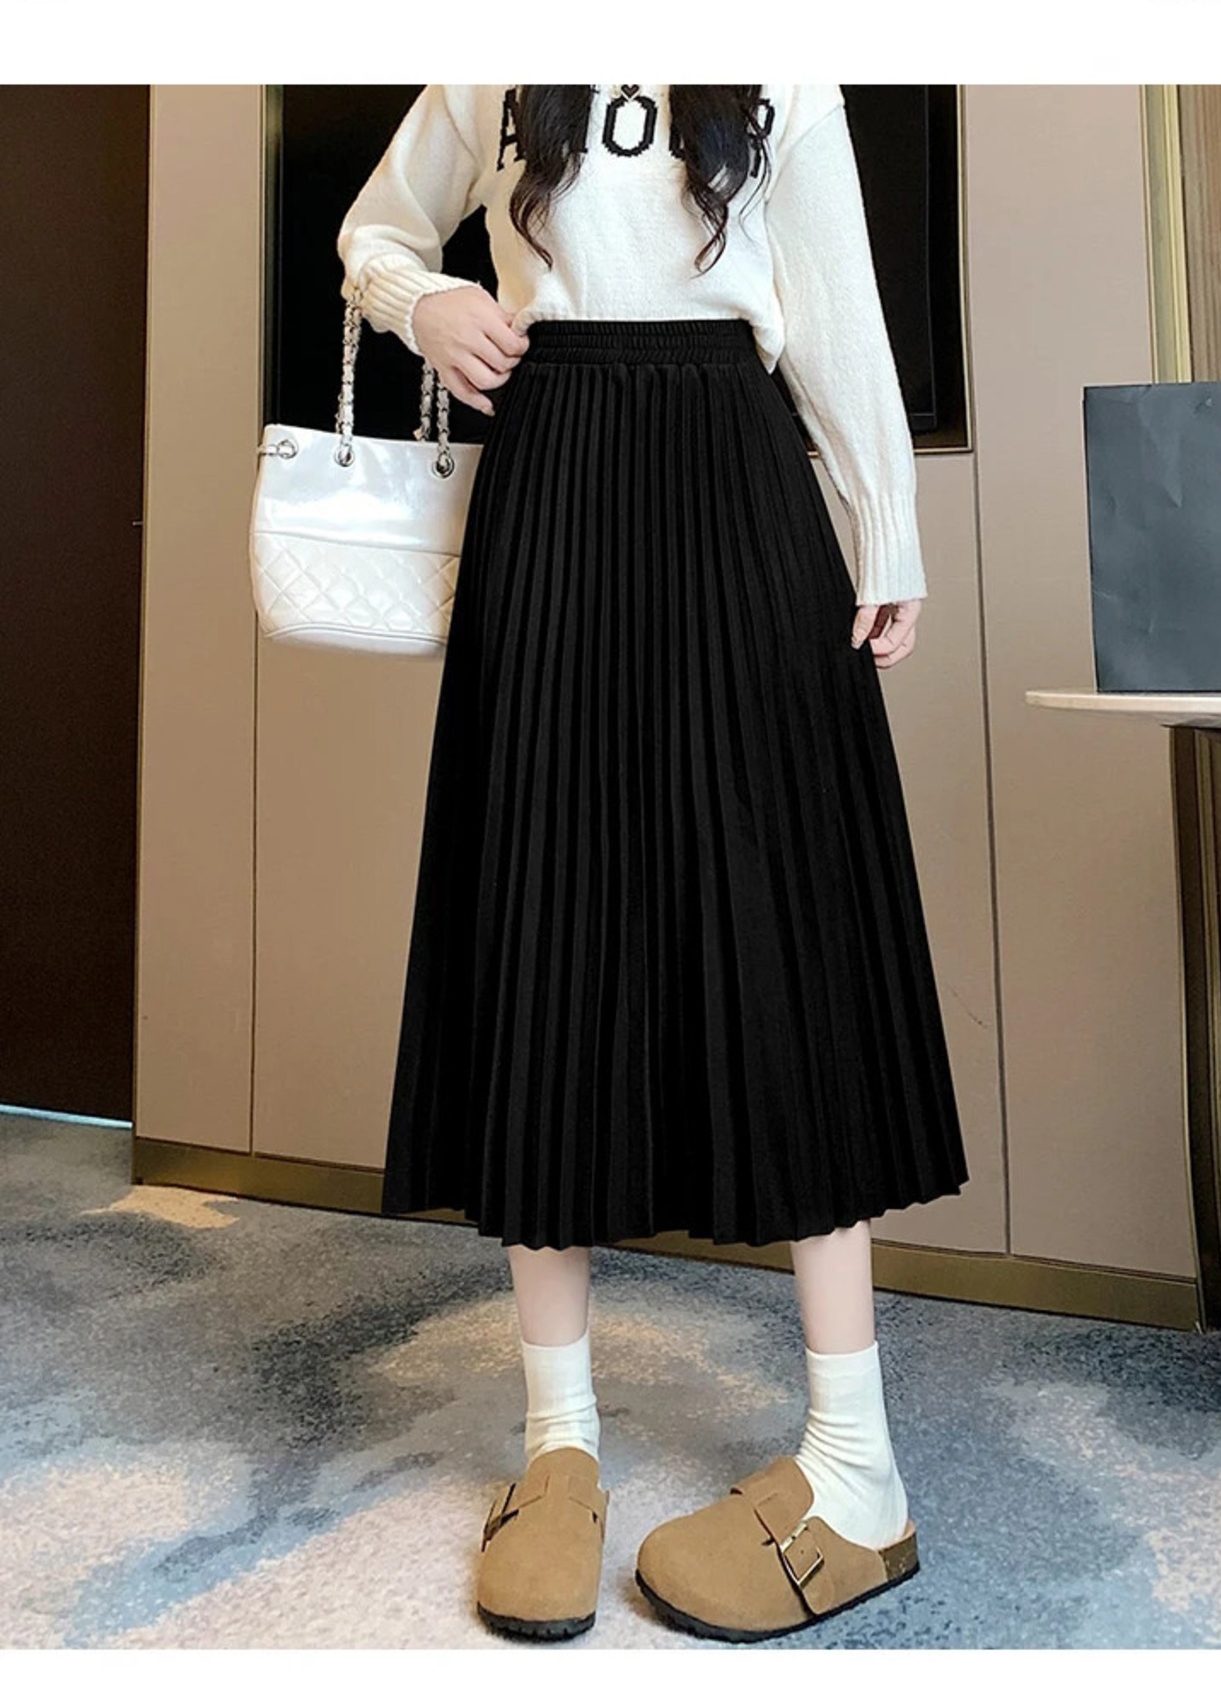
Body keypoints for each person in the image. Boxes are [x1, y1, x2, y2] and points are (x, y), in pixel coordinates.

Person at [336, 84, 969, 1643]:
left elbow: (836, 303)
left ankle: (856, 1467)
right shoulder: (491, 53)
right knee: (542, 923)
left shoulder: (778, 53)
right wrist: (426, 303)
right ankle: (557, 1449)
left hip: (734, 475)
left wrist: (886, 527)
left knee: (787, 925)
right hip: (549, 480)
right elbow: (374, 230)